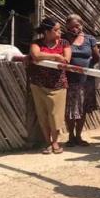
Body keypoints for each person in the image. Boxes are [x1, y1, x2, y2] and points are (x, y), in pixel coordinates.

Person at [28, 18, 72, 154]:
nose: (60, 32)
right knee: (43, 114)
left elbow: (66, 59)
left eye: (59, 29)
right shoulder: (36, 43)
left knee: (55, 115)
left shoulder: (65, 43)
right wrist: (55, 57)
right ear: (47, 32)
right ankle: (48, 142)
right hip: (38, 84)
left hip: (58, 84)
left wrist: (46, 56)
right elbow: (35, 55)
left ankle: (55, 141)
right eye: (56, 30)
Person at [64, 14, 99, 147]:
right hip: (70, 80)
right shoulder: (64, 39)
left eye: (77, 26)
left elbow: (96, 57)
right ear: (67, 26)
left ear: (82, 25)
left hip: (87, 81)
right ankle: (71, 136)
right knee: (71, 110)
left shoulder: (90, 39)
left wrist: (87, 66)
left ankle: (78, 135)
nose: (74, 29)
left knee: (82, 109)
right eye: (71, 26)